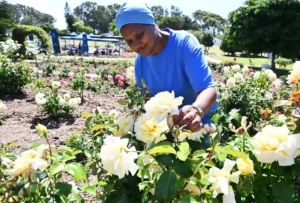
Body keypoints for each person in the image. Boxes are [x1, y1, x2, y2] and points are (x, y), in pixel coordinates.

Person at [115, 1, 218, 132]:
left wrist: (196, 110)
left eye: (139, 35)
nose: (136, 44)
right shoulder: (140, 62)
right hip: (169, 130)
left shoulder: (184, 44)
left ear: (152, 24)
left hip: (201, 126)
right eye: (129, 41)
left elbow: (208, 89)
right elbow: (148, 102)